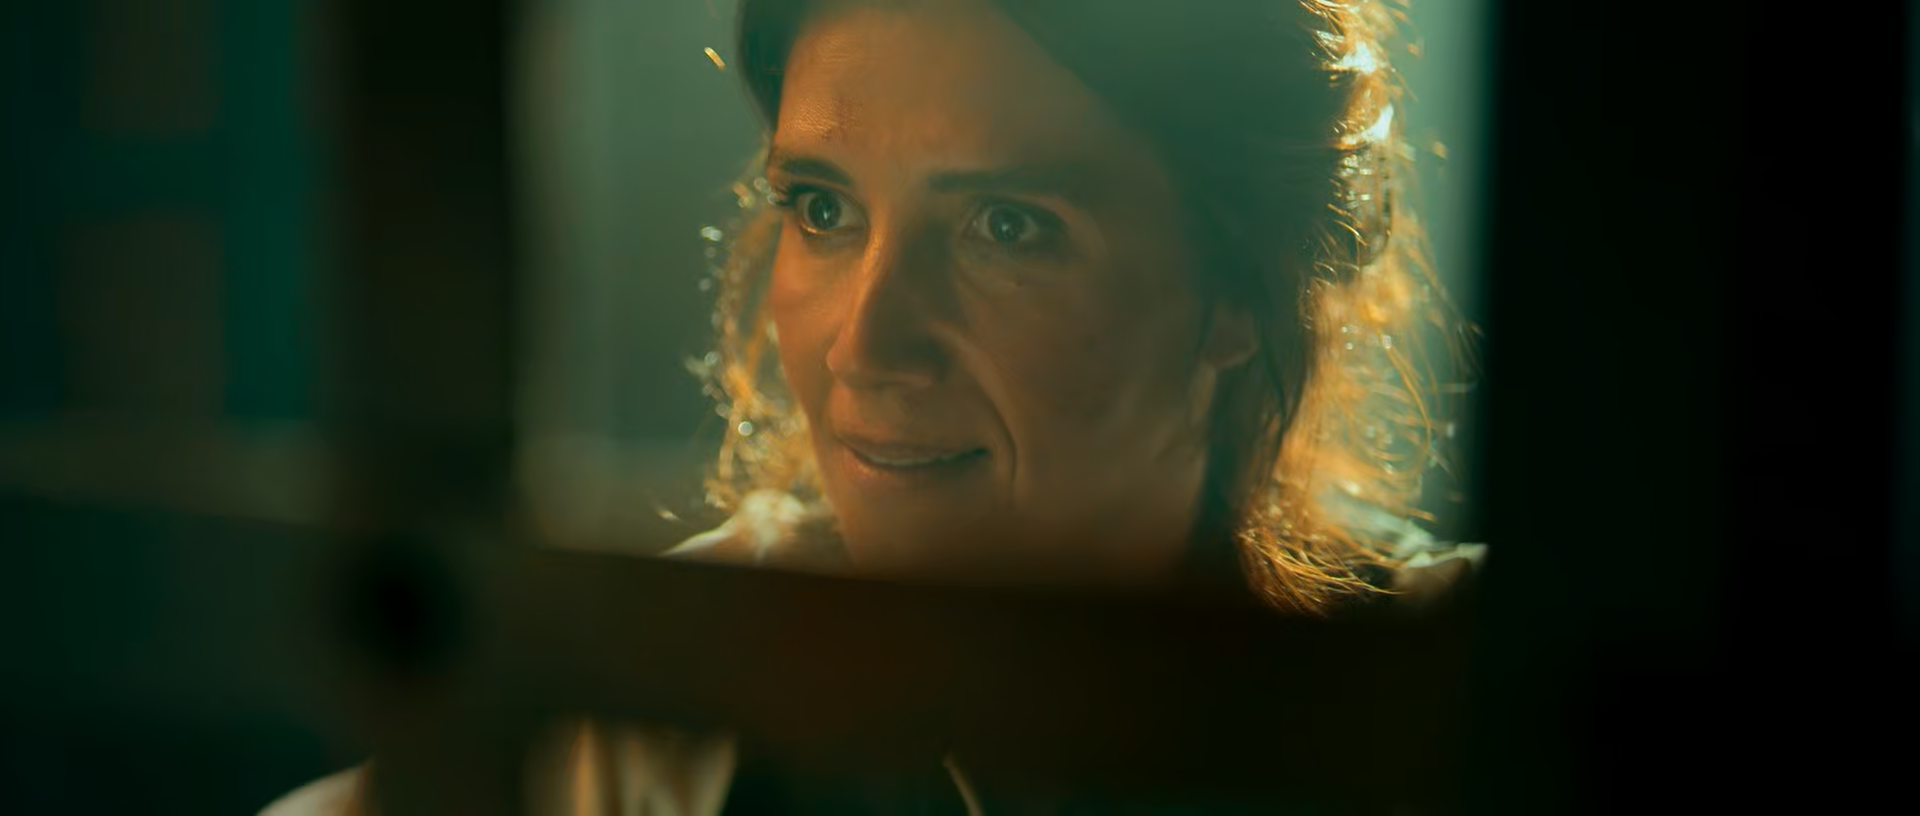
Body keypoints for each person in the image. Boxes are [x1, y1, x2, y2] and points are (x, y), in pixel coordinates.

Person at [264, 0, 1482, 812]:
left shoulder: (1468, 707)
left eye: (1008, 227)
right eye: (824, 209)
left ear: (1241, 294)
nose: (866, 344)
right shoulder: (662, 721)